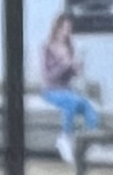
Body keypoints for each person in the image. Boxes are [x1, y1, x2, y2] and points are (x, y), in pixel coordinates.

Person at [40, 11, 99, 167]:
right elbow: (47, 77)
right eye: (64, 28)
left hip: (67, 89)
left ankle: (91, 144)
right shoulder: (47, 47)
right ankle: (64, 138)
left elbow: (70, 76)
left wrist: (76, 69)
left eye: (69, 29)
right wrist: (63, 65)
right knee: (71, 102)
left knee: (88, 107)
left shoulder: (69, 48)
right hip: (51, 90)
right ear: (57, 28)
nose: (67, 32)